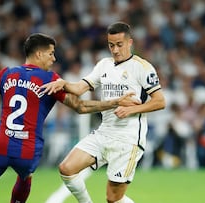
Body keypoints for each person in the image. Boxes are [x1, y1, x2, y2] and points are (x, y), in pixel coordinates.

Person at [0, 33, 139, 203]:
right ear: (39, 54)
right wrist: (115, 102)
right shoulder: (50, 80)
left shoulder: (7, 73)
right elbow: (81, 106)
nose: (54, 58)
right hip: (28, 149)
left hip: (1, 143)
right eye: (51, 53)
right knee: (25, 176)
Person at [42, 22, 166, 203]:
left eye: (119, 44)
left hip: (128, 139)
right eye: (111, 45)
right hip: (104, 132)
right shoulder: (104, 65)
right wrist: (63, 83)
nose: (115, 50)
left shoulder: (142, 67)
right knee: (67, 168)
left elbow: (160, 101)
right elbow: (79, 88)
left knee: (113, 199)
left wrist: (133, 109)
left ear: (129, 42)